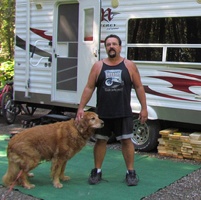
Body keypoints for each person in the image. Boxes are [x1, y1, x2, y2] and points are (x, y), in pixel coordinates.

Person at [76, 34, 148, 186]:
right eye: (108, 44)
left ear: (120, 47)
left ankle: (131, 172)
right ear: (105, 48)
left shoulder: (129, 65)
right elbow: (89, 87)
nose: (111, 47)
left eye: (114, 44)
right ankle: (97, 171)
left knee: (127, 141)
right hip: (102, 114)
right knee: (100, 141)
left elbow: (139, 87)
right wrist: (81, 108)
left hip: (123, 112)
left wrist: (144, 108)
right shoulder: (98, 66)